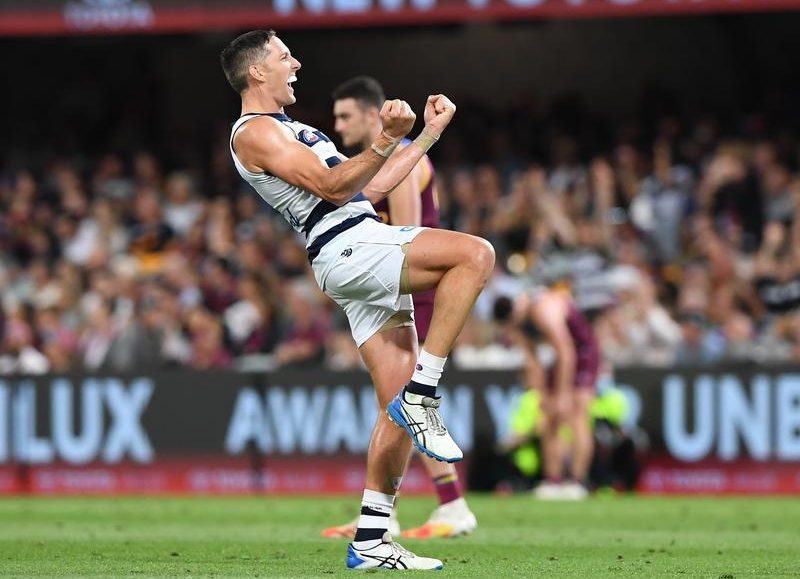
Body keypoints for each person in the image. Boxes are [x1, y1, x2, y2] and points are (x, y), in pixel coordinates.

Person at [220, 31, 495, 570]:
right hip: (351, 246)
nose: (296, 63)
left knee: (394, 405)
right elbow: (331, 187)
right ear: (257, 72)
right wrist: (383, 138)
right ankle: (426, 393)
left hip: (354, 243)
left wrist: (427, 134)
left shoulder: (286, 128)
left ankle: (372, 535)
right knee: (476, 255)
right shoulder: (255, 130)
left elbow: (368, 190)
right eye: (284, 56)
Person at [321, 76, 477, 540]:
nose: (338, 125)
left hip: (415, 294)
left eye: (345, 116)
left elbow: (406, 235)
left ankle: (447, 507)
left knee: (403, 403)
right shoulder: (376, 162)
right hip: (395, 290)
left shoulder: (407, 157)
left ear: (373, 115)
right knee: (395, 404)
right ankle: (394, 510)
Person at [494, 286, 599, 500]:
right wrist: (542, 394)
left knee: (576, 414)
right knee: (550, 417)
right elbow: (532, 360)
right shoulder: (516, 322)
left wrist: (562, 395)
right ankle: (553, 481)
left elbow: (566, 351)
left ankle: (578, 481)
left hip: (583, 353)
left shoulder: (543, 309)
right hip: (560, 358)